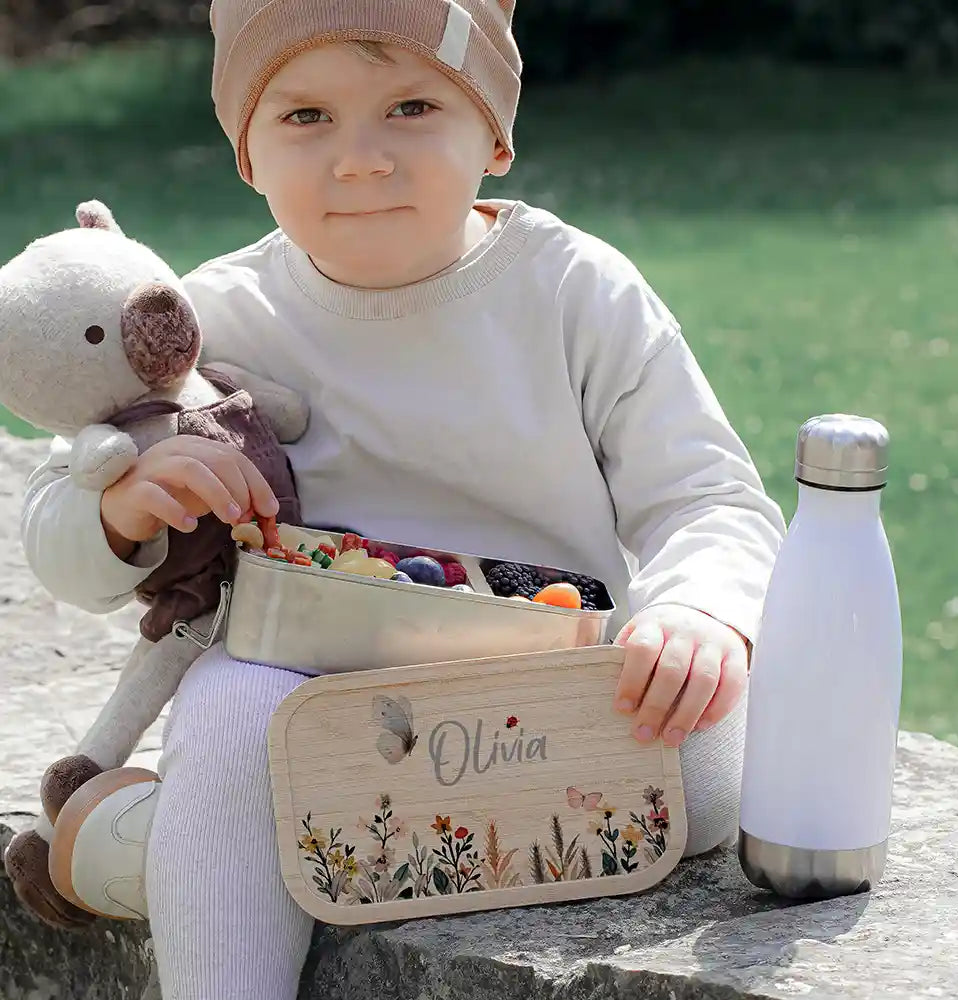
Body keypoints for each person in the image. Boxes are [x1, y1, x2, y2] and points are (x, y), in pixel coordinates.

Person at [20, 1, 785, 996]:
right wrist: (120, 509)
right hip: (311, 699)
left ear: (495, 133)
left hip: (544, 684)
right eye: (304, 118)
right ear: (245, 154)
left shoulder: (574, 292)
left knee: (707, 777)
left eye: (413, 105)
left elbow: (708, 493)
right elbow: (52, 526)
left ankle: (145, 844)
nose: (362, 160)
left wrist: (697, 611)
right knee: (229, 706)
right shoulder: (204, 321)